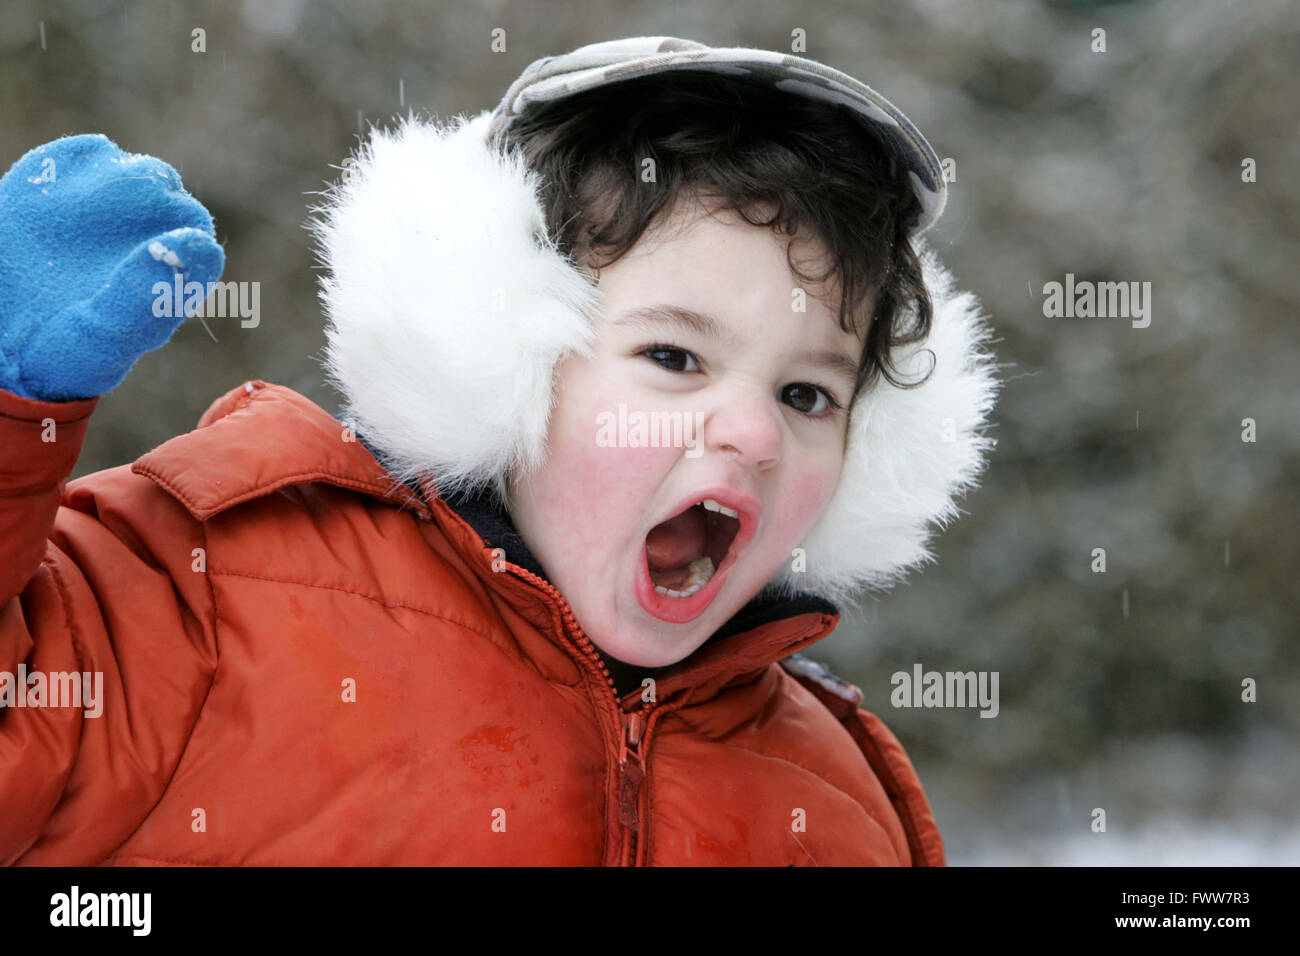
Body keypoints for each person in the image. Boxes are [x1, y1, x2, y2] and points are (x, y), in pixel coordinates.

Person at [0, 36, 998, 865]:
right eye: (671, 354)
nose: (754, 433)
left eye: (805, 393)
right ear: (498, 353)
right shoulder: (207, 600)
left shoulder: (839, 800)